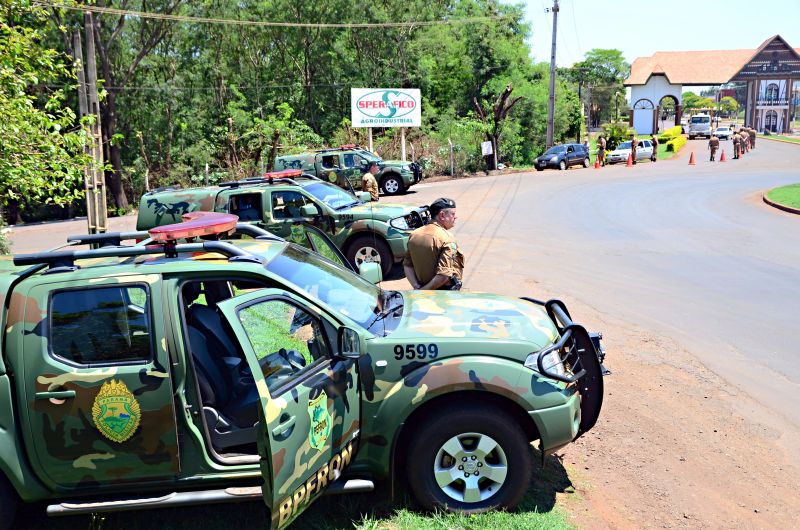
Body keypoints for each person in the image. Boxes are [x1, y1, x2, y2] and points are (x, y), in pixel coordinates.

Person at [403, 198, 464, 290]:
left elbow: (407, 265)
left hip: (422, 288)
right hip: (442, 293)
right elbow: (444, 275)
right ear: (442, 215)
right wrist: (424, 291)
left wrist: (416, 286)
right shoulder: (447, 238)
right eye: (453, 214)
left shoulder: (415, 234)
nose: (455, 217)